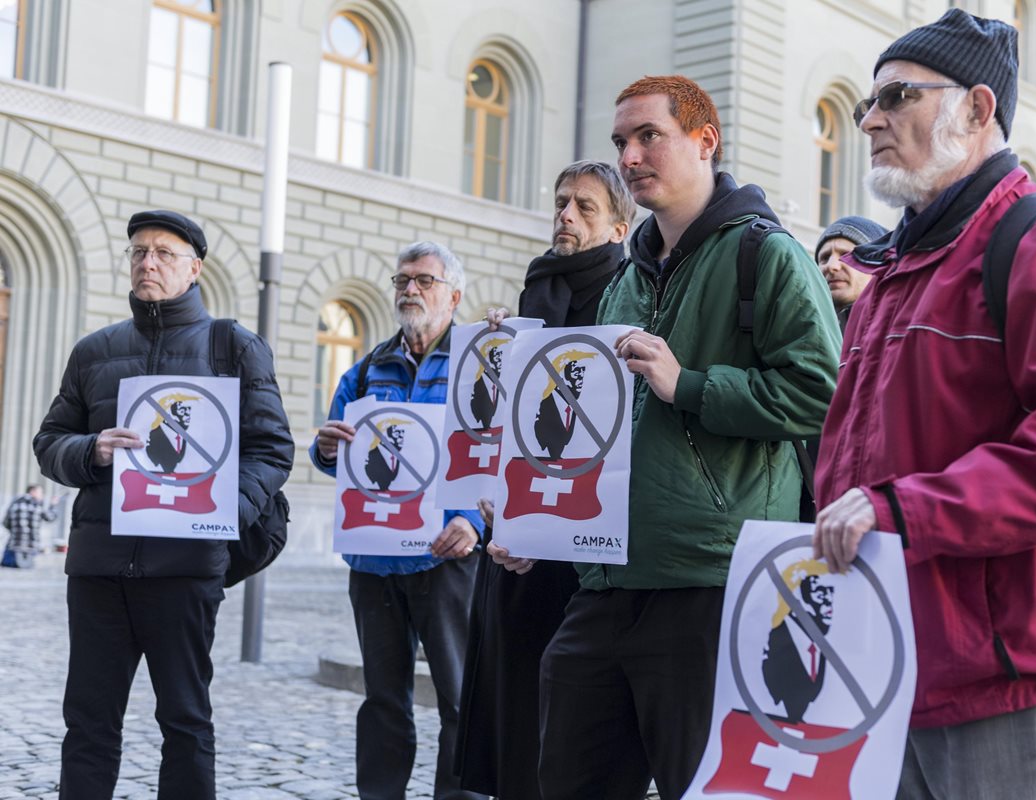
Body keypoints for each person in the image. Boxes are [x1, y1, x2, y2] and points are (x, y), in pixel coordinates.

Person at [812, 10, 1036, 799]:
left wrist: (900, 510)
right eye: (870, 102)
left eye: (897, 96)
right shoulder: (897, 270)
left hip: (1004, 673)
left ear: (976, 107)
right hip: (888, 658)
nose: (870, 119)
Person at [537, 76, 841, 800]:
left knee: (703, 788)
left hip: (712, 581)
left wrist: (692, 385)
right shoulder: (627, 275)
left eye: (649, 136)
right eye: (621, 142)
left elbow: (825, 395)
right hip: (604, 579)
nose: (631, 154)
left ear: (705, 141)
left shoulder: (767, 255)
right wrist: (539, 520)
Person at [33, 210, 294, 800]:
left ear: (193, 267)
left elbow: (272, 451)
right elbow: (48, 443)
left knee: (185, 723)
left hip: (186, 568)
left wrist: (222, 512)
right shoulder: (94, 351)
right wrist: (90, 450)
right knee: (89, 724)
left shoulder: (233, 347)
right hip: (99, 568)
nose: (147, 262)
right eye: (138, 252)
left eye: (163, 253)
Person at [454, 159, 634, 800]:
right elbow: (508, 420)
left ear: (620, 226)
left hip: (589, 535)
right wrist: (501, 347)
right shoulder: (537, 294)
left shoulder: (632, 292)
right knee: (514, 697)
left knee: (575, 717)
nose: (565, 216)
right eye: (561, 202)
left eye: (585, 207)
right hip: (517, 531)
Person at [310, 241, 486, 800]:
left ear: (453, 296)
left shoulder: (478, 367)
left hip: (447, 557)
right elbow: (333, 450)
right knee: (383, 700)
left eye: (425, 281)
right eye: (403, 280)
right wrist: (325, 448)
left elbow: (505, 457)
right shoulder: (364, 372)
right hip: (375, 560)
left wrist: (478, 526)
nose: (410, 289)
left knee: (460, 699)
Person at [762, 559, 835, 724]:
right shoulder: (771, 640)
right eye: (820, 593)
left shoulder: (821, 642)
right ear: (797, 599)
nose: (829, 601)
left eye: (831, 592)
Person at [813, 215, 889, 330]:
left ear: (876, 265)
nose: (832, 266)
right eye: (825, 257)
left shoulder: (898, 329)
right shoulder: (802, 330)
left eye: (846, 255)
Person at [1, 485, 62, 569]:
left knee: (10, 567)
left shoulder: (15, 502)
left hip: (14, 545)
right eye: (40, 493)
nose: (42, 495)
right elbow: (50, 517)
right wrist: (53, 505)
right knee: (25, 571)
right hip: (31, 546)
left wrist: (15, 531)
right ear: (32, 492)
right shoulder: (38, 505)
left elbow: (5, 522)